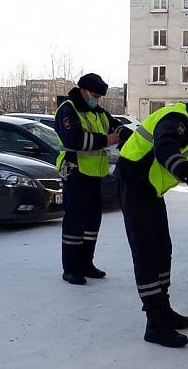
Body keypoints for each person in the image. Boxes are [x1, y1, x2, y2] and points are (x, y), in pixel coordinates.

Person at [115, 96, 188, 348]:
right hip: (134, 185)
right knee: (147, 253)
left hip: (151, 191)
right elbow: (165, 149)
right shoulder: (176, 120)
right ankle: (154, 322)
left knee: (163, 250)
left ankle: (163, 308)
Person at [54, 73, 131, 286]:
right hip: (76, 172)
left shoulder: (97, 111)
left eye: (99, 96)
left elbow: (115, 125)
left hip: (95, 175)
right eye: (94, 94)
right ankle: (70, 269)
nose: (96, 99)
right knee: (75, 223)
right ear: (83, 90)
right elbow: (74, 138)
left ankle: (86, 264)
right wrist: (106, 140)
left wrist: (124, 135)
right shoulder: (68, 109)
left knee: (91, 224)